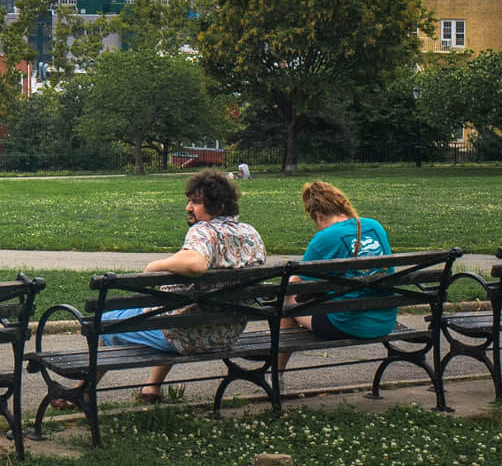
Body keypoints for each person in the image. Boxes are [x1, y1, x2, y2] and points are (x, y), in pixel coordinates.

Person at [85, 169, 266, 404]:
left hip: (185, 336)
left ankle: (83, 391)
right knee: (176, 311)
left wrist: (155, 265)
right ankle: (152, 388)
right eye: (189, 200)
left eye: (197, 202)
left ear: (219, 207)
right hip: (226, 334)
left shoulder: (203, 231)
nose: (188, 207)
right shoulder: (250, 233)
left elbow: (196, 264)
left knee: (106, 321)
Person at [280, 182, 394, 352]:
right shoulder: (374, 226)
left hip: (348, 324)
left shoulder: (324, 238)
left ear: (318, 216)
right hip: (385, 320)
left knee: (289, 301)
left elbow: (293, 284)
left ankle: (278, 374)